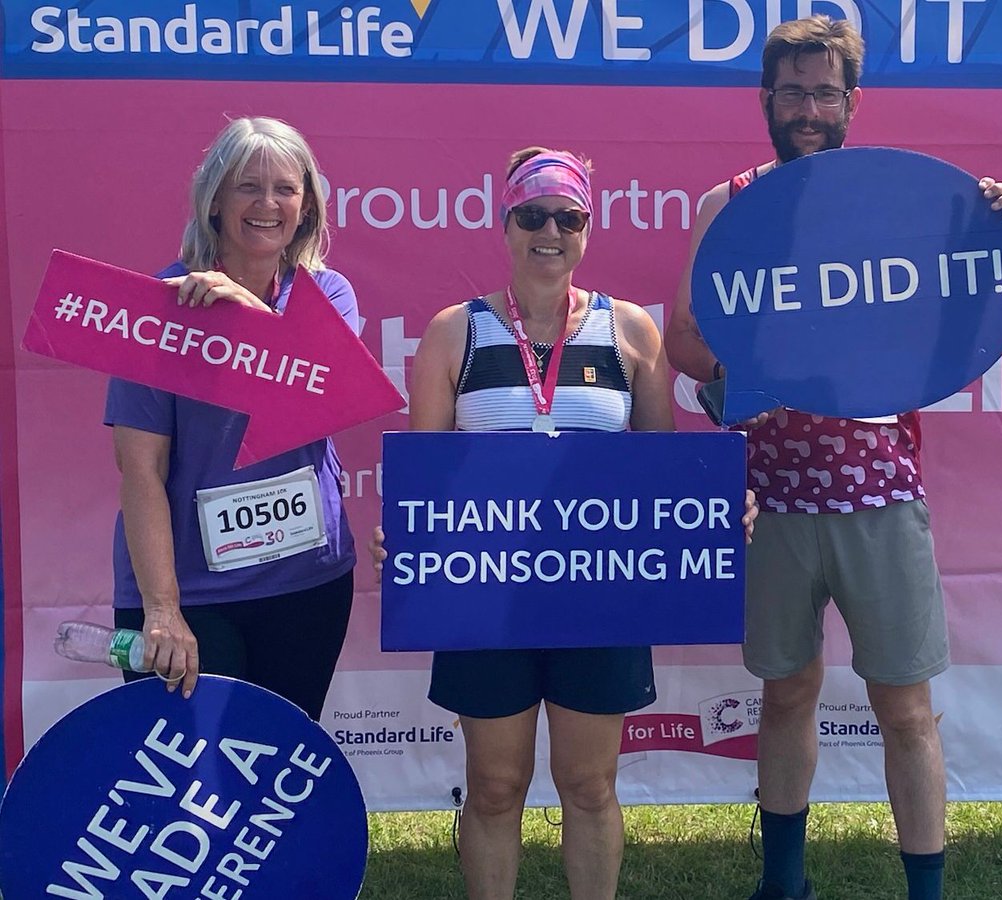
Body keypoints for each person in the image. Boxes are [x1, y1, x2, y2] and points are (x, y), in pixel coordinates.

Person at [664, 16, 1002, 900]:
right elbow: (683, 344)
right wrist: (766, 367)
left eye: (826, 92)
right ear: (766, 100)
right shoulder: (728, 205)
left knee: (905, 707)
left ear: (852, 101)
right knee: (784, 696)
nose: (809, 109)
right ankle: (784, 884)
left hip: (881, 492)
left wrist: (992, 231)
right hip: (772, 497)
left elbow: (961, 317)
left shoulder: (897, 201)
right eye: (792, 92)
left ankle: (926, 891)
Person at [372, 147, 754, 900]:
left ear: (587, 228)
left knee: (587, 785)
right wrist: (405, 537)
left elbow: (658, 475)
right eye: (532, 215)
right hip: (486, 599)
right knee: (493, 786)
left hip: (599, 597)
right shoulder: (456, 332)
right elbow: (423, 478)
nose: (550, 230)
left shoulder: (630, 332)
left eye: (567, 216)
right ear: (506, 223)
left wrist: (710, 514)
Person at [104, 116, 358, 719]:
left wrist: (242, 308)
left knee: (276, 779)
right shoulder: (158, 307)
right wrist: (162, 609)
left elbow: (325, 392)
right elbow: (140, 471)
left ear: (307, 206)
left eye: (286, 189)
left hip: (306, 586)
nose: (267, 204)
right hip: (189, 598)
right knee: (186, 787)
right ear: (214, 199)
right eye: (248, 186)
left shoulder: (331, 294)